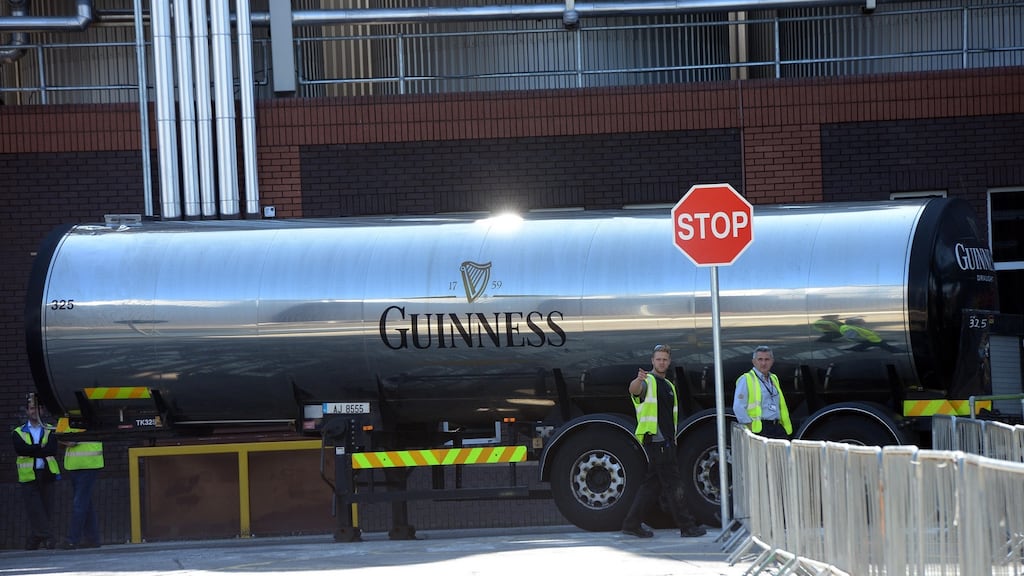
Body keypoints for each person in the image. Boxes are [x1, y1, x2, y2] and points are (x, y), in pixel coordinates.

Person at [621, 344, 706, 538]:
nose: (661, 362)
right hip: (657, 441)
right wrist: (637, 380)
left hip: (666, 441)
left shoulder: (668, 385)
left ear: (669, 362)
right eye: (658, 359)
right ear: (652, 361)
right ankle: (687, 526)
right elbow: (635, 390)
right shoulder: (648, 381)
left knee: (652, 485)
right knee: (674, 484)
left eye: (665, 359)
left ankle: (631, 523)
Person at [12, 394, 61, 550]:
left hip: (47, 474)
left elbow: (52, 449)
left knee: (46, 509)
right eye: (32, 408)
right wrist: (40, 449)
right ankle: (49, 538)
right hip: (29, 476)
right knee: (35, 509)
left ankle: (34, 539)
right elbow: (20, 450)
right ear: (27, 411)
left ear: (42, 410)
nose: (35, 411)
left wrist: (33, 450)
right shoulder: (18, 432)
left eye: (38, 408)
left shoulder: (49, 429)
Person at [733, 345, 793, 438]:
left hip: (777, 427)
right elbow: (738, 407)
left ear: (772, 361)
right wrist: (749, 426)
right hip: (760, 428)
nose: (763, 363)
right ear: (754, 362)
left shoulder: (774, 378)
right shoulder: (746, 379)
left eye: (767, 359)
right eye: (760, 359)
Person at [61, 437, 104, 549]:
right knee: (85, 504)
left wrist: (61, 439)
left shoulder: (81, 421)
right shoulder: (72, 420)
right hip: (77, 465)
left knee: (79, 504)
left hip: (87, 464)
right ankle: (92, 538)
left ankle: (72, 539)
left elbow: (72, 440)